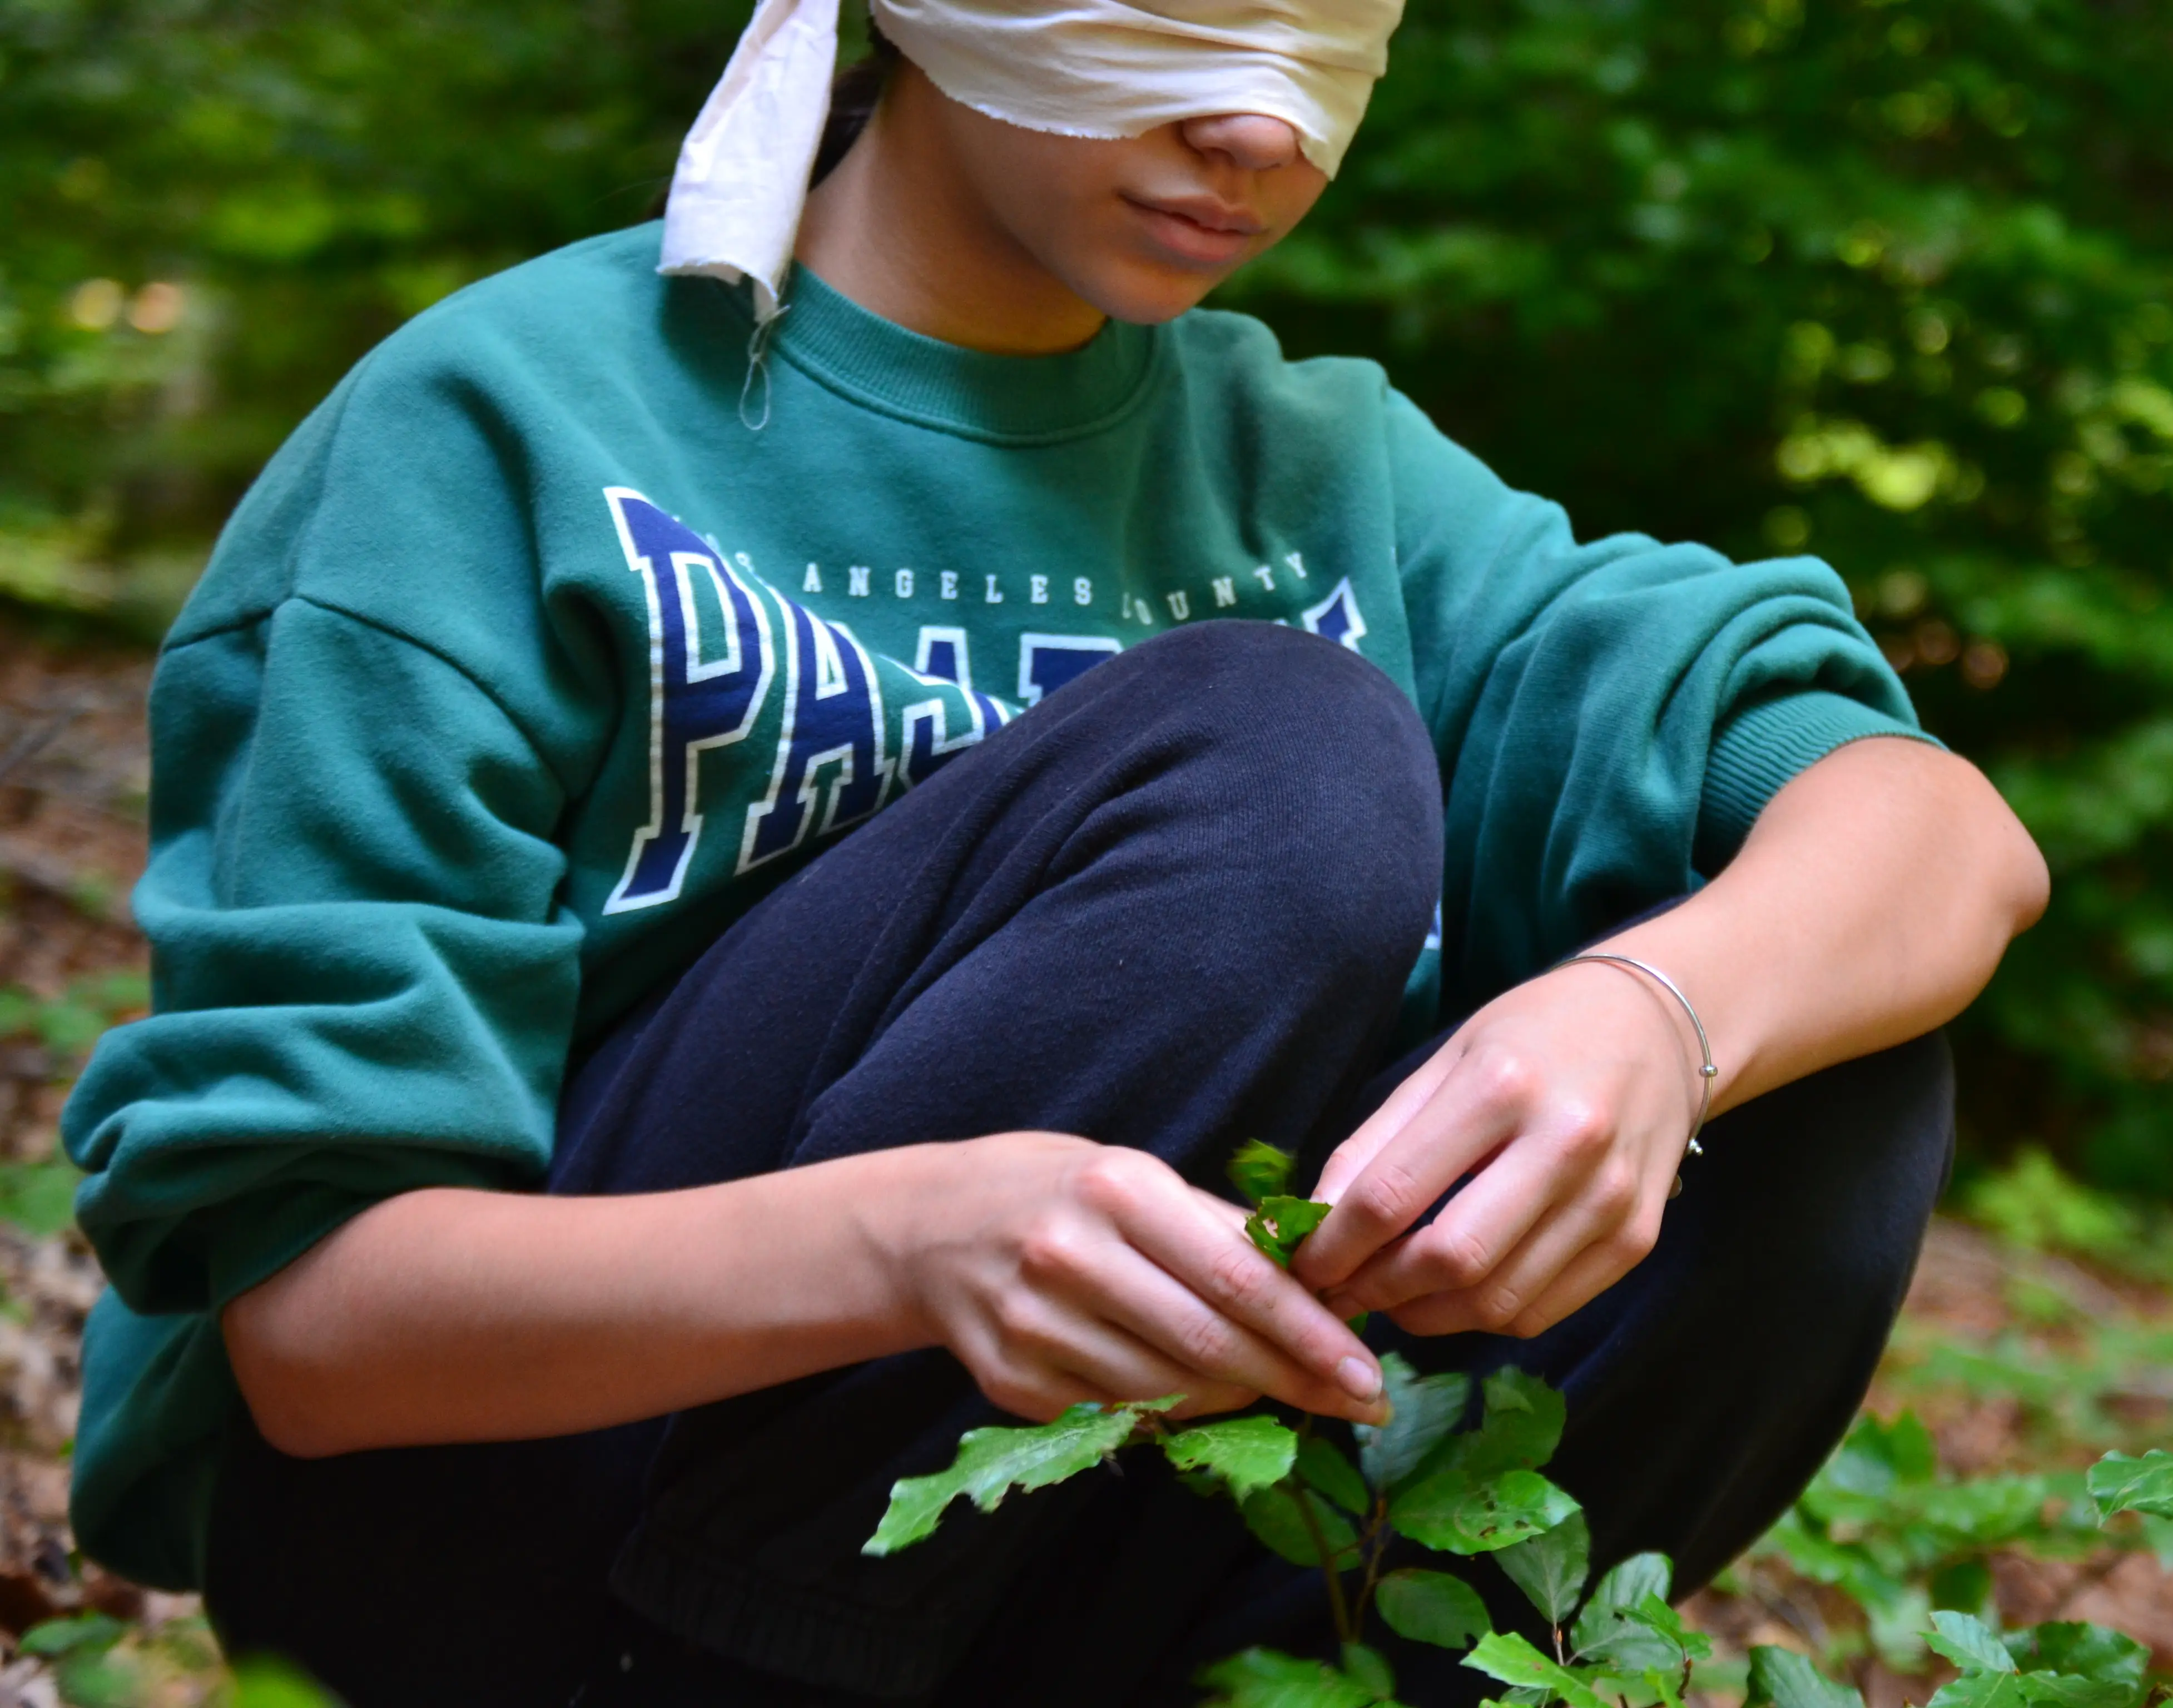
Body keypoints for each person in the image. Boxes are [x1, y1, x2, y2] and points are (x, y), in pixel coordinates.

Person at [61, 1, 2050, 1702]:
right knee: (1282, 754)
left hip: (1048, 1567)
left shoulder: (1325, 471)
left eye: (1325, 27)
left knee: (1818, 1056)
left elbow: (1938, 835)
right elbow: (314, 1338)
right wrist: (913, 1247)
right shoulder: (497, 431)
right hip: (502, 1560)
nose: (1262, 119)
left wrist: (1661, 1015)